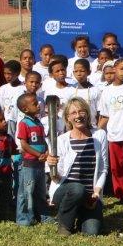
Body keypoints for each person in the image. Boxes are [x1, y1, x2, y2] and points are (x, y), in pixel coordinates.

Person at [47, 97, 109, 236]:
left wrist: (96, 193)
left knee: (92, 232)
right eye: (73, 113)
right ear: (67, 118)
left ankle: (81, 215)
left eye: (81, 112)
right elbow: (56, 177)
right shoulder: (61, 140)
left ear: (87, 114)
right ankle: (65, 225)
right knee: (77, 188)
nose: (78, 116)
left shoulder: (99, 135)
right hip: (66, 192)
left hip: (89, 195)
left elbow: (103, 169)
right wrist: (52, 166)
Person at [97, 58, 123, 203]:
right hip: (115, 135)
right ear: (114, 68)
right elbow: (105, 115)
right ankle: (122, 194)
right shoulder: (107, 92)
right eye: (122, 68)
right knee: (117, 168)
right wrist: (97, 130)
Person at [15, 92, 51, 226]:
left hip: (39, 164)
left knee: (40, 191)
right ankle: (24, 218)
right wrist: (38, 154)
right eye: (35, 104)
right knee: (26, 192)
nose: (38, 105)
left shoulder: (39, 122)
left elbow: (43, 140)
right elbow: (24, 144)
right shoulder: (24, 123)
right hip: (29, 164)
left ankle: (43, 215)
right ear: (25, 109)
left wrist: (46, 151)